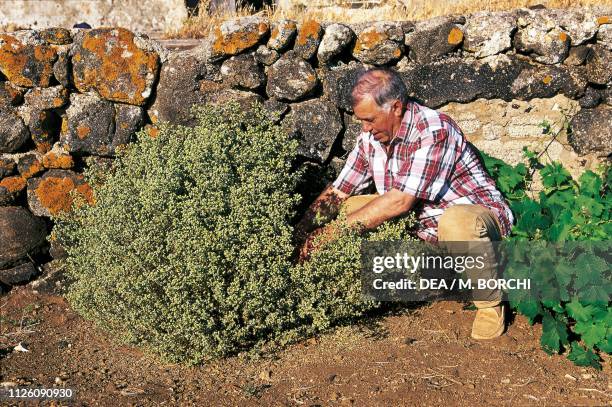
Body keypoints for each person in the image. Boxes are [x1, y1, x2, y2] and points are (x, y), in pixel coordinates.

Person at [295, 68, 514, 340]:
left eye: (370, 120)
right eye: (361, 121)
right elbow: (339, 192)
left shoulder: (434, 130)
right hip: (422, 227)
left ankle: (491, 303)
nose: (364, 128)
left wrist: (330, 235)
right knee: (346, 209)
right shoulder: (370, 138)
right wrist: (302, 233)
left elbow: (400, 201)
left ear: (396, 107)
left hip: (476, 220)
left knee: (456, 222)